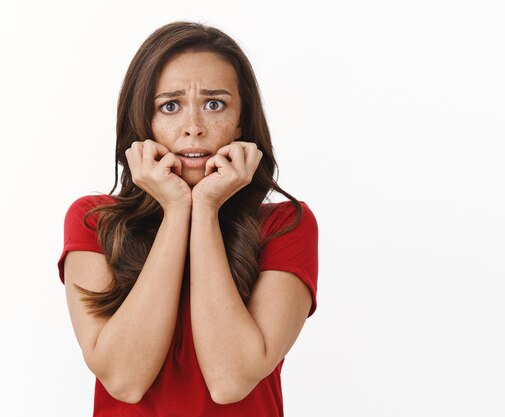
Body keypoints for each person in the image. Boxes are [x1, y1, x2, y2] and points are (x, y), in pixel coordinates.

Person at [57, 21, 318, 417]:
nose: (193, 128)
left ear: (241, 123)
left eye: (214, 104)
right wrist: (179, 208)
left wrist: (207, 207)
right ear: (142, 123)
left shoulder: (285, 224)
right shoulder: (95, 221)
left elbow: (230, 380)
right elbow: (124, 380)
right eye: (170, 105)